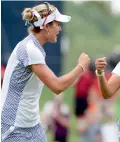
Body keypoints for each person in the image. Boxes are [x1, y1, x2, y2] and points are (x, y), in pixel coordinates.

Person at [1, 2, 90, 142]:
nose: (60, 29)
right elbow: (57, 86)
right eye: (57, 24)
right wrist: (80, 67)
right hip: (14, 126)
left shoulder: (35, 49)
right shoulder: (30, 49)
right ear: (46, 26)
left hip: (32, 125)